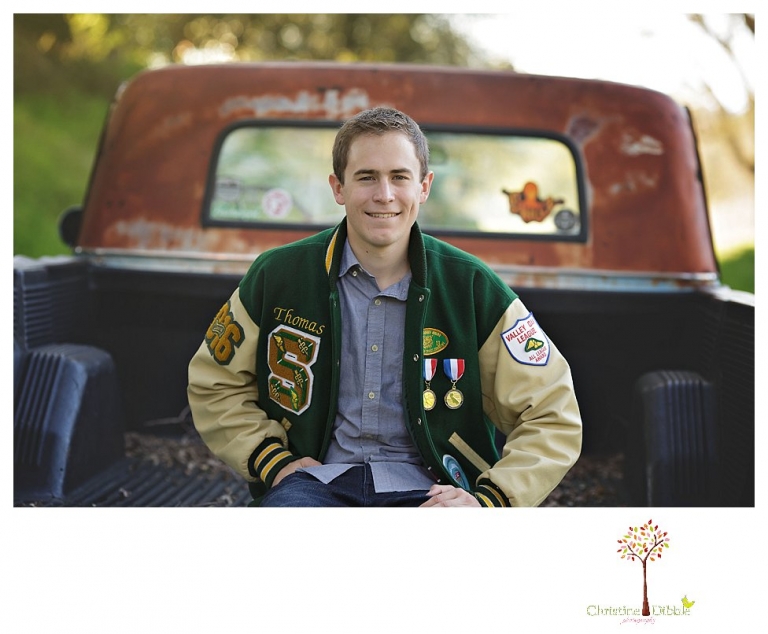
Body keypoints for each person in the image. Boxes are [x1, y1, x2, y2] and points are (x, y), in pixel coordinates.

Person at [187, 106, 582, 507]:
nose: (384, 195)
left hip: (435, 489)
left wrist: (487, 501)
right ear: (338, 187)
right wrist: (271, 460)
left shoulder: (473, 287)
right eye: (366, 177)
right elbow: (213, 382)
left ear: (424, 187)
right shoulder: (279, 275)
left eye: (399, 177)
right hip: (313, 484)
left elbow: (552, 413)